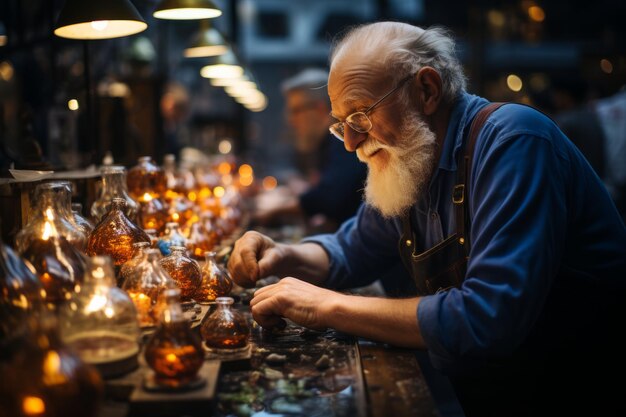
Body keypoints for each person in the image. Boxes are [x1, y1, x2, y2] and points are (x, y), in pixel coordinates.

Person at [228, 22, 626, 416]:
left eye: (361, 116)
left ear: (427, 90)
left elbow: (486, 318)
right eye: (341, 124)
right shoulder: (413, 158)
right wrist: (282, 255)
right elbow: (352, 248)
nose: (350, 142)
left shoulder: (513, 142)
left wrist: (327, 307)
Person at [253, 68, 367, 232]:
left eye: (295, 111)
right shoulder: (326, 143)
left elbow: (329, 197)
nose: (291, 121)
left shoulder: (344, 140)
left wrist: (276, 210)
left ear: (320, 109)